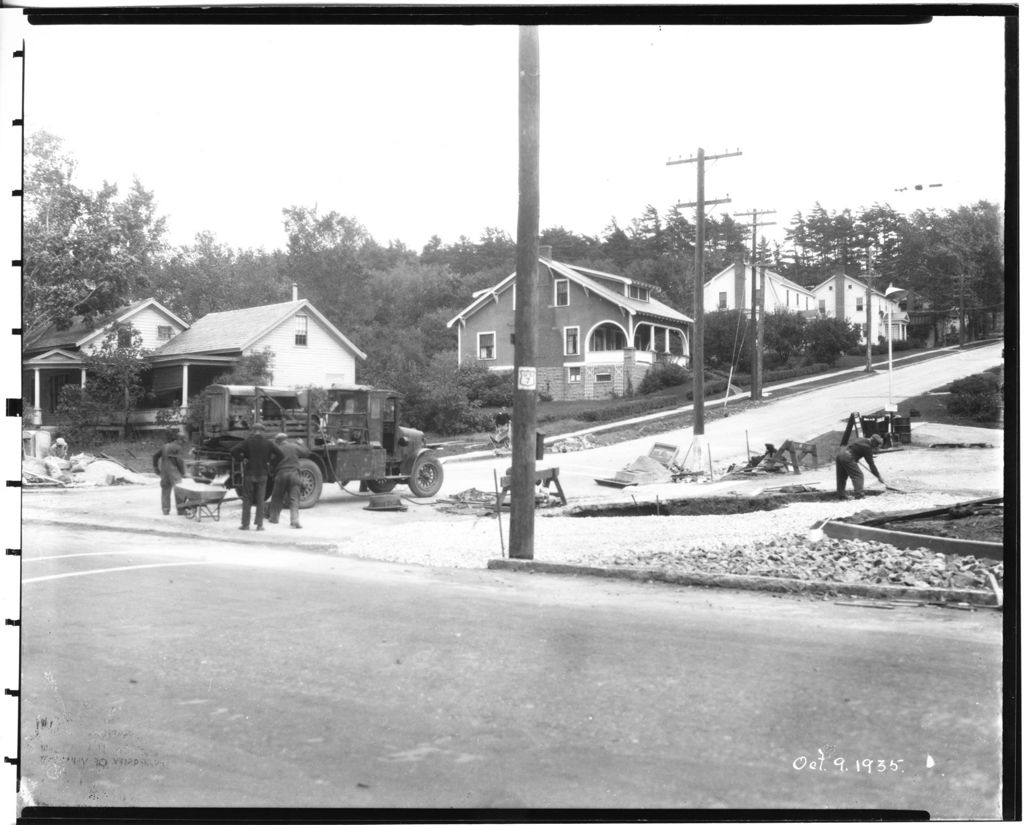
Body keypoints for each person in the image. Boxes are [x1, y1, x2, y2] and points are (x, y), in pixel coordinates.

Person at [229, 422, 281, 531]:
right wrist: (270, 462)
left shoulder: (248, 442)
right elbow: (281, 455)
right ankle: (259, 525)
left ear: (253, 431)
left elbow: (233, 451)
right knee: (260, 500)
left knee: (247, 499)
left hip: (249, 474)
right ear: (263, 431)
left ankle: (245, 525)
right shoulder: (268, 443)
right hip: (262, 475)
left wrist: (242, 458)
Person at [267, 432, 312, 529]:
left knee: (277, 497)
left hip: (281, 475)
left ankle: (274, 518)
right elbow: (307, 453)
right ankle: (295, 520)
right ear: (286, 439)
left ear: (277, 441)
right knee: (294, 499)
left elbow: (271, 463)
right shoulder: (294, 446)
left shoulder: (276, 449)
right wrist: (301, 444)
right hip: (294, 475)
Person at [835, 433, 885, 498]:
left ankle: (841, 495)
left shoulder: (862, 439)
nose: (876, 447)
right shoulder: (867, 448)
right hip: (848, 457)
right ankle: (859, 494)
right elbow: (871, 464)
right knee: (858, 475)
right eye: (877, 445)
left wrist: (855, 456)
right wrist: (878, 476)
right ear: (873, 442)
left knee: (841, 477)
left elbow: (853, 447)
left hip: (840, 454)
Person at [152, 430, 188, 516]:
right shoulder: (178, 448)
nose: (183, 444)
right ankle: (181, 510)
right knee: (179, 490)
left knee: (165, 490)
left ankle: (165, 510)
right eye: (183, 441)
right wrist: (183, 472)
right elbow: (179, 461)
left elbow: (155, 456)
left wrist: (156, 467)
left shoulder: (165, 446)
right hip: (174, 472)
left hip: (164, 472)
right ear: (180, 440)